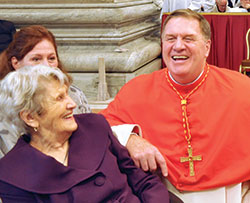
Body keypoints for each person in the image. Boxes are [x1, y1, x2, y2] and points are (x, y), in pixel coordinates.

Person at [100, 9, 250, 202]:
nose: (178, 46)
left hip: (233, 194)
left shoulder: (242, 88)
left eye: (188, 38)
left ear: (207, 47)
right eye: (171, 39)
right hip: (164, 195)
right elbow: (100, 125)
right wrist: (130, 138)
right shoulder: (136, 89)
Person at [0, 65, 170, 203]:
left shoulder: (94, 126)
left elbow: (143, 181)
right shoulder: (12, 174)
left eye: (67, 94)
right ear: (31, 117)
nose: (72, 103)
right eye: (60, 98)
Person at [0, 25, 91, 158]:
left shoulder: (74, 95)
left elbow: (89, 139)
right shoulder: (5, 104)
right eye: (36, 59)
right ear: (16, 63)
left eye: (51, 58)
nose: (46, 66)